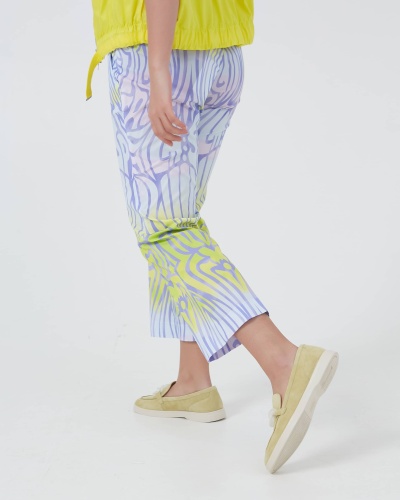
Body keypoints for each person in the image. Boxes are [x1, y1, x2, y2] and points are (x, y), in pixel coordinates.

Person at [86, 0, 339, 474]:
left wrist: (158, 65)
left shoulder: (158, 57)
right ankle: (192, 380)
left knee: (163, 229)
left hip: (159, 47)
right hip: (221, 53)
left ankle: (284, 361)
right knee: (179, 217)